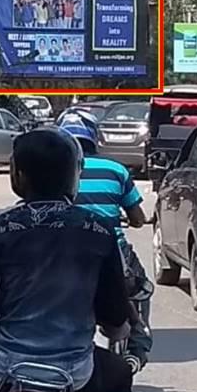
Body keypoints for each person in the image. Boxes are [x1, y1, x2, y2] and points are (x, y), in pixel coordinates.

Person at [0, 128, 133, 392]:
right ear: (74, 175)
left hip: (3, 364)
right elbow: (115, 315)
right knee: (120, 373)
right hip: (76, 371)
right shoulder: (101, 230)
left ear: (18, 175)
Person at [56, 109, 153, 374]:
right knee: (141, 289)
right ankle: (138, 345)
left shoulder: (55, 170)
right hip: (112, 249)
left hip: (62, 251)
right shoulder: (116, 170)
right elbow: (137, 218)